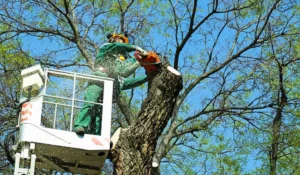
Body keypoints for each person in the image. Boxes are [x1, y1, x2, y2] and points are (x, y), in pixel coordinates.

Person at [74, 33, 148, 136]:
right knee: (90, 103)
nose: (121, 44)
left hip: (110, 88)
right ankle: (80, 126)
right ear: (114, 40)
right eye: (121, 41)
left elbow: (125, 73)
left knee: (102, 115)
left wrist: (140, 64)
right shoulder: (106, 48)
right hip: (99, 78)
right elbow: (117, 47)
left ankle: (98, 136)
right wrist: (134, 47)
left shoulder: (120, 62)